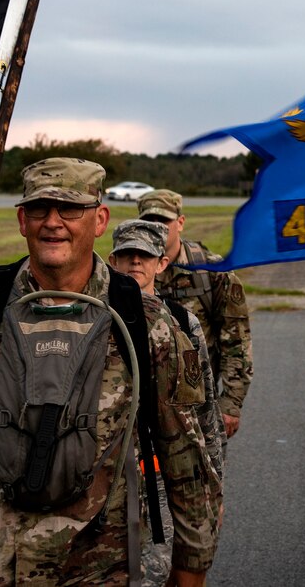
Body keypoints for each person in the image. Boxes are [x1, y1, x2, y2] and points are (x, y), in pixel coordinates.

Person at [0, 158, 221, 587]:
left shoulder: (145, 322)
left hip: (97, 567)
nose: (53, 223)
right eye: (39, 209)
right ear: (21, 220)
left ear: (100, 219)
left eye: (69, 209)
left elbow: (187, 452)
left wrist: (192, 561)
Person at [108, 218, 226, 587]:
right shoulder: (97, 315)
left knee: (165, 567)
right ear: (112, 262)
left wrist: (215, 485)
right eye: (126, 255)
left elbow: (204, 407)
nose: (134, 264)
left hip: (164, 471)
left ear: (161, 263)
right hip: (110, 475)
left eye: (143, 256)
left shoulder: (181, 321)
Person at [137, 189, 252, 440]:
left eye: (163, 221)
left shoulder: (211, 272)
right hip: (140, 407)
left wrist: (231, 404)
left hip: (199, 405)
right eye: (148, 222)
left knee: (204, 477)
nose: (156, 228)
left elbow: (237, 341)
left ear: (180, 223)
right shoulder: (128, 270)